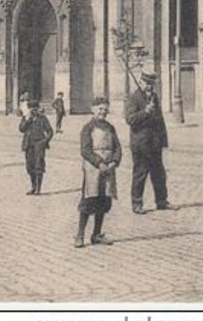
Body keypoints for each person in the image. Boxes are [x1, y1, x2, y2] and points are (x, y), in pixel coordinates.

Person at [124, 70, 178, 214]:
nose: (149, 86)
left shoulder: (154, 97)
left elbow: (160, 120)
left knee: (159, 174)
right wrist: (145, 112)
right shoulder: (133, 98)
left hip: (155, 143)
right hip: (141, 144)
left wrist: (164, 141)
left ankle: (161, 201)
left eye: (151, 84)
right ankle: (136, 204)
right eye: (147, 83)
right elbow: (130, 119)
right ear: (141, 82)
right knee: (140, 174)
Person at [75, 96, 122, 248]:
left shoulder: (110, 127)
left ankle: (96, 234)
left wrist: (114, 161)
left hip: (109, 168)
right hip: (92, 169)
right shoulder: (87, 128)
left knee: (104, 200)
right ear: (93, 109)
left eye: (105, 109)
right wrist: (99, 163)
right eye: (100, 109)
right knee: (89, 200)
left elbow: (117, 147)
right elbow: (85, 150)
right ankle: (80, 235)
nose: (103, 112)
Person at [18, 99, 54, 195]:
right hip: (28, 144)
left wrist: (45, 141)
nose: (33, 111)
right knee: (29, 167)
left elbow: (50, 131)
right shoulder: (26, 118)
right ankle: (33, 186)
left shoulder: (42, 118)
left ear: (38, 109)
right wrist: (27, 120)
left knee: (39, 166)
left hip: (39, 144)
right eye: (31, 109)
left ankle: (38, 188)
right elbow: (21, 129)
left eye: (35, 109)